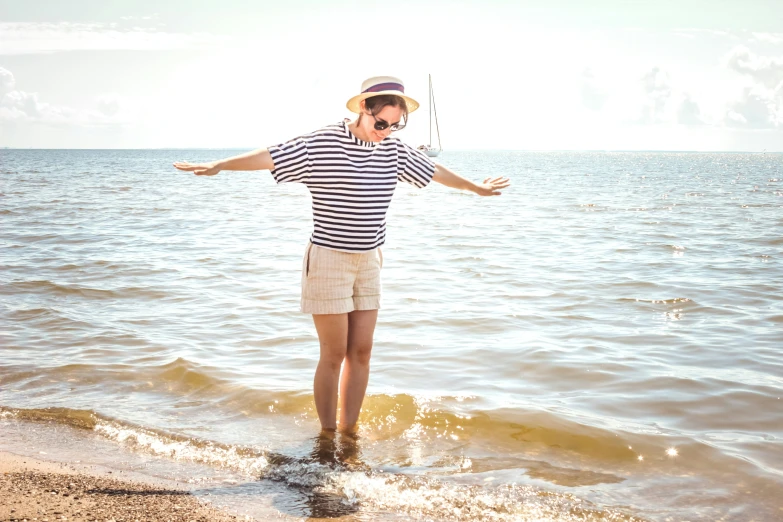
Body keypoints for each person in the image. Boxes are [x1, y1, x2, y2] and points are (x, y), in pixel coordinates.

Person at [173, 76, 510, 436]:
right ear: (364, 108)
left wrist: (475, 187)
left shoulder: (394, 150)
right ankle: (327, 434)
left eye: (395, 125)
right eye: (381, 123)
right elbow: (270, 155)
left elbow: (434, 170)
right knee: (333, 354)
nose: (387, 131)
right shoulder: (323, 142)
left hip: (369, 261)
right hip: (328, 260)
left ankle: (350, 433)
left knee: (361, 352)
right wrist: (221, 164)